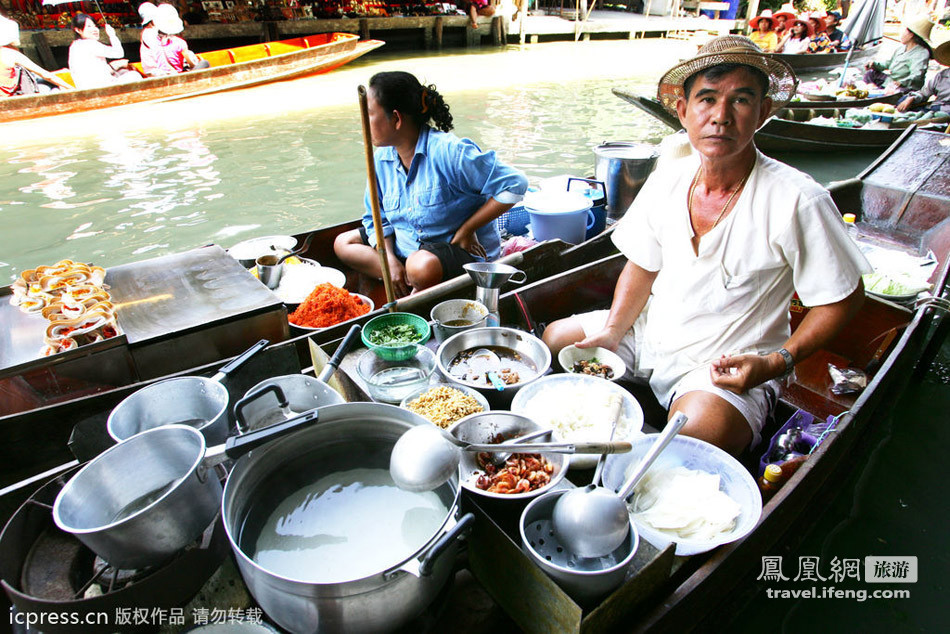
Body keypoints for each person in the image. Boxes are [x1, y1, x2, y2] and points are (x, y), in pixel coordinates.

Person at [541, 36, 869, 456]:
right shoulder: (669, 177)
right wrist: (613, 331)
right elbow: (642, 266)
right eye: (707, 99)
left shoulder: (797, 199)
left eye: (741, 100)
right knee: (555, 339)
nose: (721, 117)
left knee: (695, 436)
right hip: (650, 334)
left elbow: (844, 298)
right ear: (683, 111)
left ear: (763, 112)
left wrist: (776, 363)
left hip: (729, 365)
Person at [333, 71, 528, 297]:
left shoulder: (448, 152)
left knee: (421, 267)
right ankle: (400, 275)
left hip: (452, 253)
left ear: (396, 118)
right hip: (405, 249)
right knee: (343, 243)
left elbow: (515, 184)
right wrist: (389, 260)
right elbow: (376, 218)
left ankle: (410, 278)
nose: (364, 123)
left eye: (369, 114)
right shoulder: (379, 159)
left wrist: (468, 228)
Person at [0, 15, 72, 96]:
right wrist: (70, 88)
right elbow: (45, 75)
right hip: (11, 96)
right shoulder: (10, 53)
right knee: (52, 89)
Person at [68, 13, 140, 89]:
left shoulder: (74, 45)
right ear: (78, 30)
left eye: (95, 26)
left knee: (123, 72)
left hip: (87, 86)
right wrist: (112, 35)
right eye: (89, 26)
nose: (94, 30)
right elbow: (119, 53)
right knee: (134, 75)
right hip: (99, 87)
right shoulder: (90, 44)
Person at [864, 15, 933, 92]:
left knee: (897, 91)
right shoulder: (901, 49)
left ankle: (880, 92)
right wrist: (874, 65)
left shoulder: (921, 53)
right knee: (870, 74)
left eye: (904, 32)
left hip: (906, 87)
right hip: (891, 81)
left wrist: (901, 82)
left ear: (911, 35)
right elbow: (889, 63)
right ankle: (876, 90)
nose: (902, 34)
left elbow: (917, 75)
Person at [142, 3, 209, 76]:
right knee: (205, 63)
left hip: (157, 75)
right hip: (173, 76)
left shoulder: (148, 38)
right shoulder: (179, 42)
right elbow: (192, 63)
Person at [898, 34, 950, 112]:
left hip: (945, 111)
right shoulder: (942, 76)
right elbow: (924, 93)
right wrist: (911, 98)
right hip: (934, 108)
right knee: (903, 100)